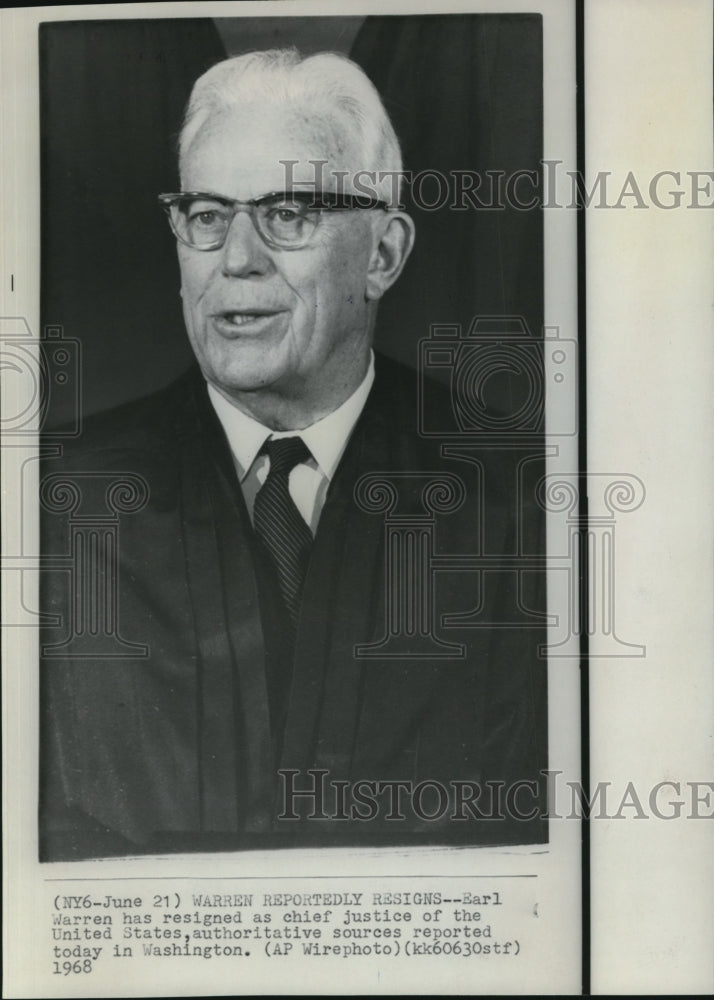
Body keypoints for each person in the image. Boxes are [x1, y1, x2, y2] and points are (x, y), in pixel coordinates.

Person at [39, 49, 547, 860]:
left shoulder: (523, 494)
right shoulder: (56, 501)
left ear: (382, 254)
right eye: (207, 214)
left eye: (289, 213)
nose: (236, 258)